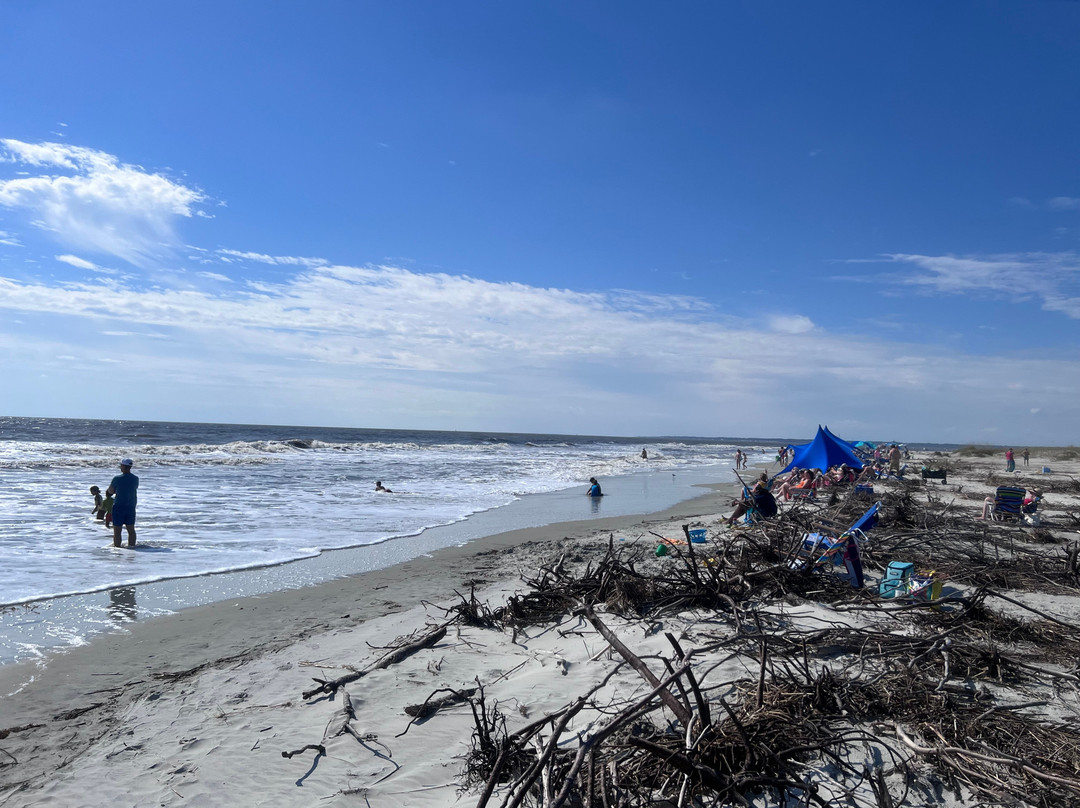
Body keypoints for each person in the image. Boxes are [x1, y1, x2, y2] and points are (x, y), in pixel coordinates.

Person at [110, 458, 139, 548]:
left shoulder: (117, 478)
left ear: (123, 466)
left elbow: (111, 491)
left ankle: (117, 549)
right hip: (131, 506)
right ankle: (132, 547)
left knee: (117, 531)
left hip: (119, 506)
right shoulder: (135, 478)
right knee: (131, 530)